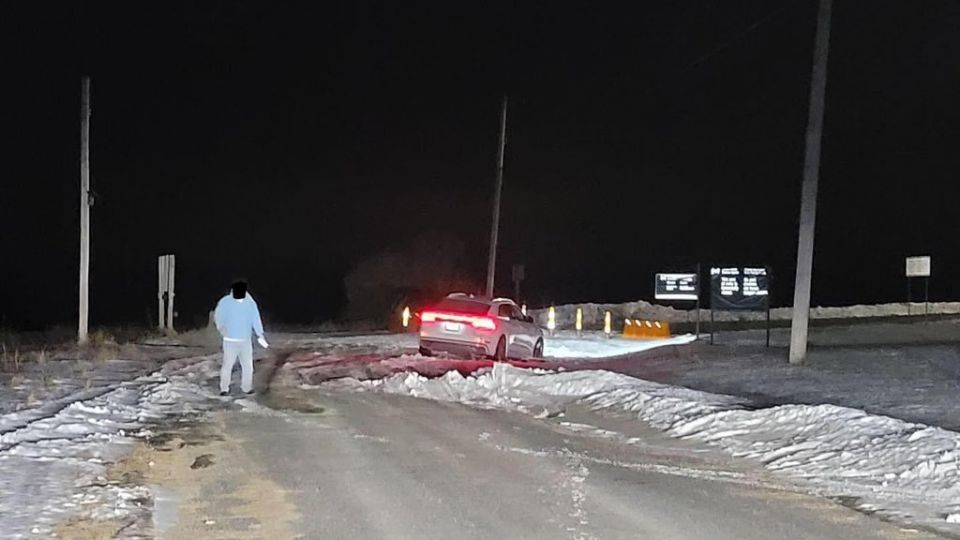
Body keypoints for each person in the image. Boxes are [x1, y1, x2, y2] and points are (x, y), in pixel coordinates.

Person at [214, 281, 269, 396]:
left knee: (247, 366)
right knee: (227, 365)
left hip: (245, 341)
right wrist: (221, 327)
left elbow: (256, 319)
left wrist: (260, 334)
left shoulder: (250, 304)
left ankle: (246, 387)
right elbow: (218, 316)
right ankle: (224, 388)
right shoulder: (225, 302)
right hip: (230, 341)